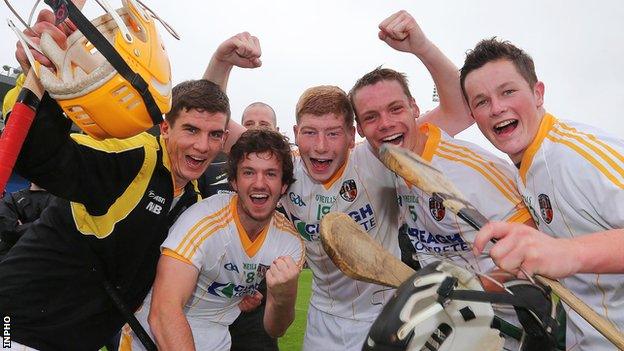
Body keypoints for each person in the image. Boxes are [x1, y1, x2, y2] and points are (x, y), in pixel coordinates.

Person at [202, 13, 470, 350]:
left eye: (333, 133)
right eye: (310, 133)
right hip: (322, 318)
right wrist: (221, 62)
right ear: (296, 134)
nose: (321, 146)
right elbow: (215, 121)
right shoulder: (285, 168)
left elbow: (460, 109)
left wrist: (423, 47)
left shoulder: (376, 159)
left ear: (351, 135)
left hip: (388, 312)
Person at [0, 11, 260, 349]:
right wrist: (39, 80)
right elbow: (43, 155)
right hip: (16, 328)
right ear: (165, 128)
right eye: (191, 130)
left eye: (214, 135)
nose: (202, 145)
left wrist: (231, 296)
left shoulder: (192, 197)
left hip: (73, 339)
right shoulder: (133, 156)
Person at [348, 11, 544, 348]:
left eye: (395, 109)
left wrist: (459, 291)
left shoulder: (471, 169)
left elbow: (534, 253)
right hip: (454, 329)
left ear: (414, 107)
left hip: (511, 329)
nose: (385, 123)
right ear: (361, 130)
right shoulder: (389, 162)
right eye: (371, 117)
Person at [460, 38, 624, 351]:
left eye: (508, 91)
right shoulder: (527, 165)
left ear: (538, 94)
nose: (496, 108)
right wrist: (478, 284)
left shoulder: (575, 156)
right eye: (481, 101)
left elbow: (565, 251)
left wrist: (569, 253)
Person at [121, 129, 304, 350]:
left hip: (217, 336)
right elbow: (163, 312)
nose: (259, 183)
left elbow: (276, 329)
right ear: (234, 182)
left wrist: (283, 297)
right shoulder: (203, 221)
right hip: (156, 334)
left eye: (271, 174)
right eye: (248, 172)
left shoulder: (289, 243)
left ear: (283, 185)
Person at [0, 182, 53, 259]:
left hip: (49, 259)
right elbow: (8, 230)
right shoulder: (11, 199)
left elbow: (64, 229)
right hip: (12, 258)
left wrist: (22, 227)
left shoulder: (63, 201)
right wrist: (47, 224)